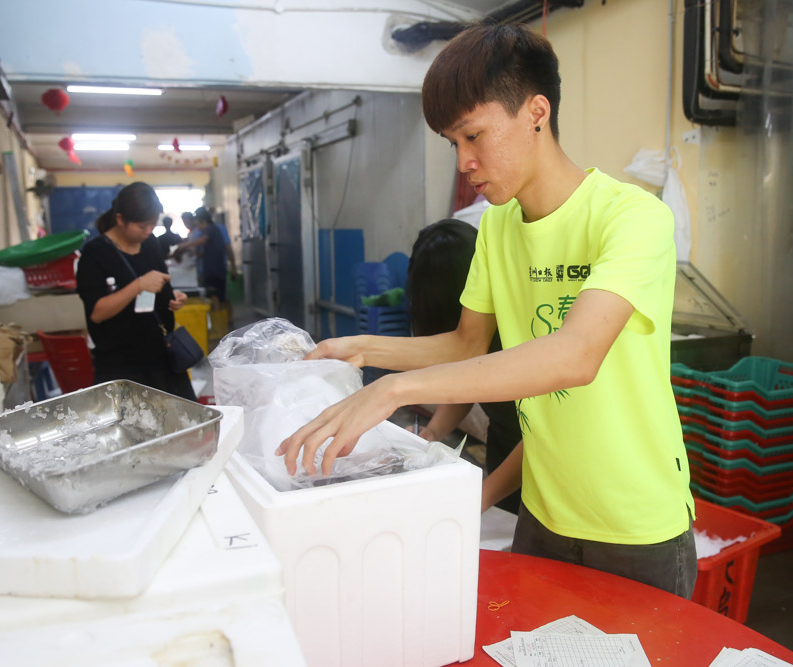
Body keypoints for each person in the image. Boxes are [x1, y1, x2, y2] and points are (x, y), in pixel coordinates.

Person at [276, 22, 696, 597]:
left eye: (474, 136)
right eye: (454, 143)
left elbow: (576, 355)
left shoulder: (632, 218)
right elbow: (465, 344)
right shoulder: (499, 226)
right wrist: (361, 351)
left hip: (637, 525)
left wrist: (393, 390)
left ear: (536, 113)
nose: (464, 161)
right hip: (544, 514)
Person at [405, 219, 521, 514]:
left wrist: (480, 498)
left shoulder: (517, 337)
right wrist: (432, 433)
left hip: (541, 470)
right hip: (502, 451)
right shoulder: (475, 335)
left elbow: (543, 439)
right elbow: (468, 381)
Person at [75, 182, 195, 401]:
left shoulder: (151, 245)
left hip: (161, 359)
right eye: (142, 226)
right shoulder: (95, 254)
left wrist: (173, 297)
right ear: (120, 219)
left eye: (152, 225)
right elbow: (97, 313)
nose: (148, 231)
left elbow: (159, 286)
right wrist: (138, 285)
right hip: (121, 366)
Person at [174, 207, 228, 310]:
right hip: (210, 269)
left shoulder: (211, 229)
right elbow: (202, 252)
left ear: (203, 221)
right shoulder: (209, 230)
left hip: (215, 270)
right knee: (213, 295)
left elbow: (202, 240)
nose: (198, 228)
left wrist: (184, 246)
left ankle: (219, 320)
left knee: (215, 295)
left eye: (198, 224)